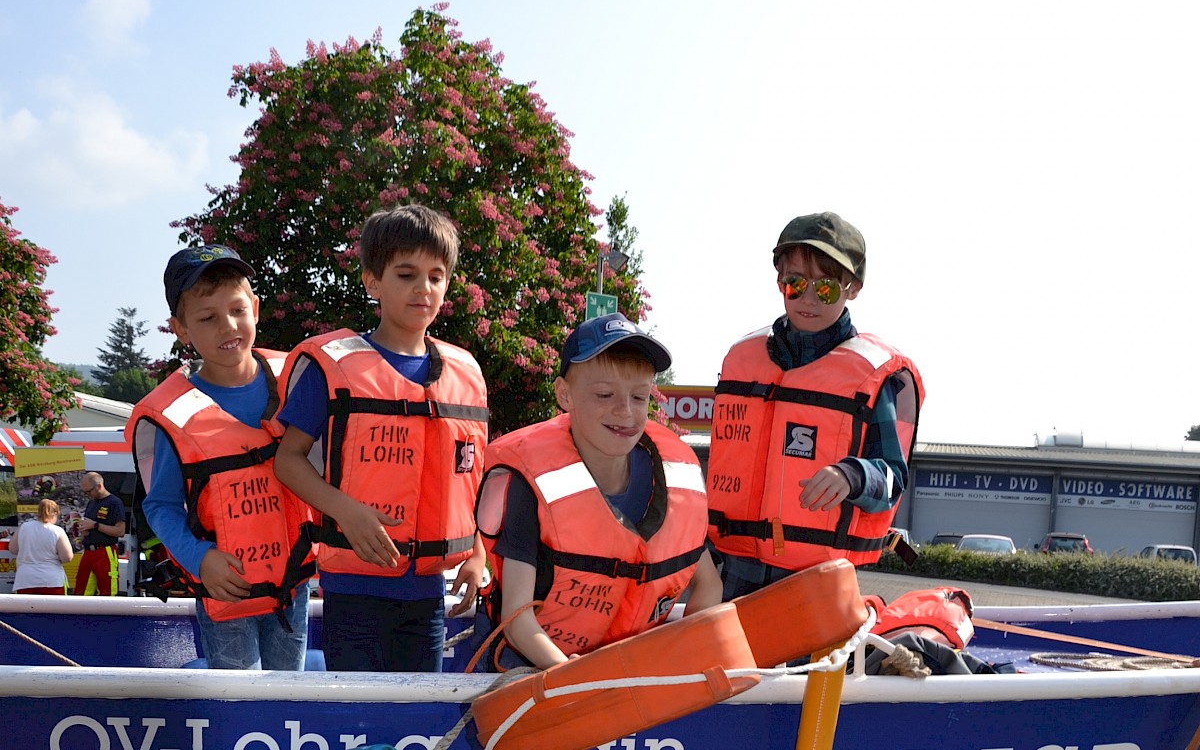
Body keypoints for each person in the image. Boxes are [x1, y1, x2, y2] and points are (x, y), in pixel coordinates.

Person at [274, 204, 488, 672]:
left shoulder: (465, 374)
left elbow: (469, 480)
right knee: (360, 724)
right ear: (373, 281)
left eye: (435, 276)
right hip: (354, 588)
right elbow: (287, 460)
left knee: (414, 724)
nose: (423, 288)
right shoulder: (330, 368)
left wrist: (477, 554)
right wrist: (345, 511)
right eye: (406, 274)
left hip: (429, 592)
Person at [476, 314, 722, 668]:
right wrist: (576, 680)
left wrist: (675, 664)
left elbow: (710, 586)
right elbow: (516, 618)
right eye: (605, 395)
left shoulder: (672, 479)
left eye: (639, 397)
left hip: (634, 679)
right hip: (530, 668)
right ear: (565, 394)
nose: (625, 412)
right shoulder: (530, 483)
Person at [707, 212, 924, 600]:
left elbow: (892, 476)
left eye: (825, 289)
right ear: (779, 281)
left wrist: (852, 476)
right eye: (794, 284)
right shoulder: (743, 359)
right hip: (731, 572)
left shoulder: (870, 375)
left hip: (816, 583)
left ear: (852, 288)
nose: (808, 299)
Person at [130, 245, 316, 671]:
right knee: (239, 708)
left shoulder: (296, 384)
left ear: (254, 307)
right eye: (207, 318)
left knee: (290, 706)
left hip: (293, 584)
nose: (227, 326)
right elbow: (159, 505)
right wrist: (199, 559)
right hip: (223, 586)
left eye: (236, 309)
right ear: (180, 329)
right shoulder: (174, 412)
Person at [72, 472, 126, 596]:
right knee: (81, 591)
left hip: (105, 551)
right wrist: (84, 529)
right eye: (85, 492)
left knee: (108, 591)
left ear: (99, 486)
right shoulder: (92, 503)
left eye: (89, 492)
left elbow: (120, 531)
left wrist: (96, 525)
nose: (87, 495)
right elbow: (89, 525)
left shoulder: (114, 503)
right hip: (88, 551)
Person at [13, 498, 73, 594]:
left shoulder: (23, 527)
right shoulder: (57, 531)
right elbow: (67, 557)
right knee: (54, 609)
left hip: (25, 580)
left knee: (27, 609)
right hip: (52, 580)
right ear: (54, 513)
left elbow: (13, 549)